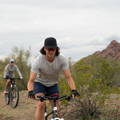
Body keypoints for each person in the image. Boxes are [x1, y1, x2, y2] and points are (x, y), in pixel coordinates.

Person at [27, 37, 79, 120]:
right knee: (41, 105)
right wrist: (30, 91)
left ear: (56, 49)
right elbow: (31, 80)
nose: (50, 51)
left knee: (57, 108)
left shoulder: (62, 59)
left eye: (53, 49)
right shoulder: (38, 61)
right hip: (39, 83)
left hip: (53, 84)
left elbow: (68, 77)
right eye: (48, 49)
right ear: (44, 49)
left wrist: (74, 90)